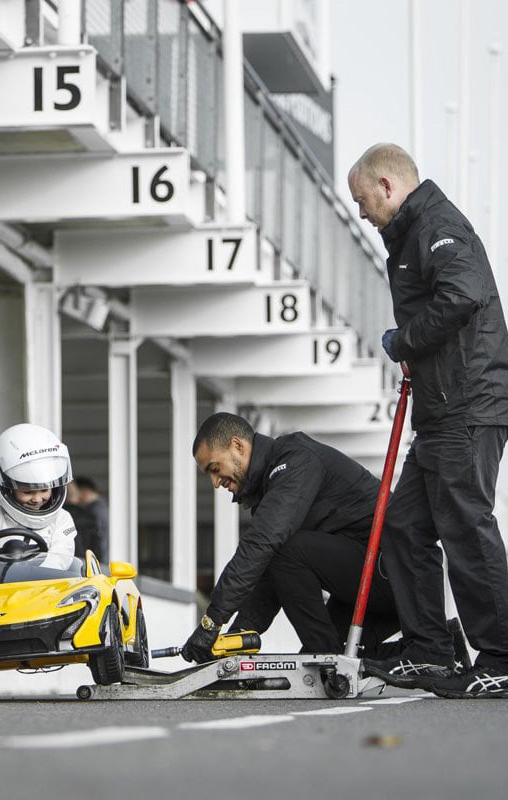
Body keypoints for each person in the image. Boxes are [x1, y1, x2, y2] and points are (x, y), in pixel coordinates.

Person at [347, 143, 508, 698]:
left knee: (465, 525)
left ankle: (502, 658)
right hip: (441, 410)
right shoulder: (411, 234)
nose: (362, 213)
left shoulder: (438, 224)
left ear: (389, 187)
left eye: (364, 201)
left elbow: (462, 295)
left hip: (469, 406)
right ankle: (432, 651)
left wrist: (403, 341)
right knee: (404, 523)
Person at [181, 412, 400, 663]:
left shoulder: (296, 460)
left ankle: (327, 658)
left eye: (215, 468)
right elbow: (268, 582)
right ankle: (443, 642)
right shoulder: (274, 484)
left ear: (237, 446)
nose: (215, 483)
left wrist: (212, 623)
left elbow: (263, 547)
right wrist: (234, 644)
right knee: (336, 654)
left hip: (393, 576)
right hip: (370, 581)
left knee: (324, 656)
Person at [0, 423, 78, 558]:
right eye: (27, 492)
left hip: (48, 580)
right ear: (7, 489)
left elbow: (62, 558)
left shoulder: (62, 519)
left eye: (44, 490)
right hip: (2, 579)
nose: (37, 499)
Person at [71, 476, 109, 563]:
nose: (77, 499)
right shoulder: (102, 508)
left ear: (85, 491)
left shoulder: (95, 511)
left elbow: (100, 541)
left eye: (77, 493)